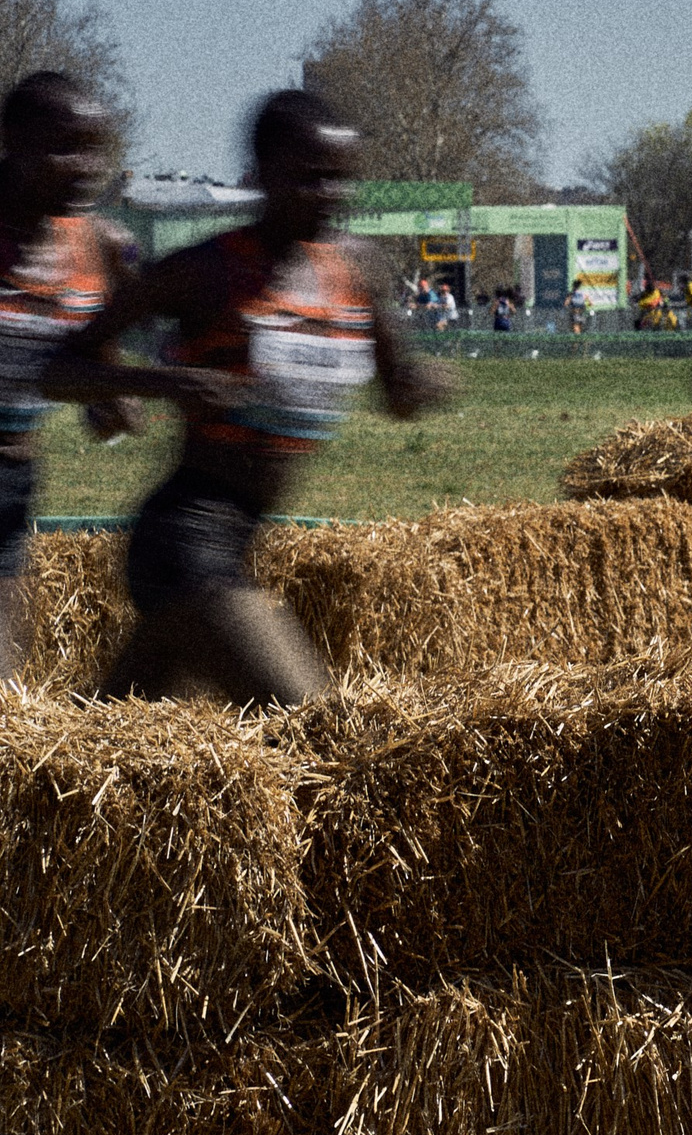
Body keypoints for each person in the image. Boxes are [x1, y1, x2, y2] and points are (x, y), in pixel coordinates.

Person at [46, 91, 451, 706]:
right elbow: (60, 368)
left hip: (239, 542)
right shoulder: (207, 271)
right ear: (260, 175)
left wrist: (423, 385)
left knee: (97, 743)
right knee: (317, 722)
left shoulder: (357, 267)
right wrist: (168, 384)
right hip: (183, 542)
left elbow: (398, 394)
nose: (329, 195)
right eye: (309, 179)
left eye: (340, 180)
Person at [0, 74, 143, 676]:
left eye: (98, 149)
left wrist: (106, 397)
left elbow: (94, 349)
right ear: (13, 143)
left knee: (11, 693)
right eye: (67, 148)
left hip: (12, 475)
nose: (88, 167)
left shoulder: (104, 245)